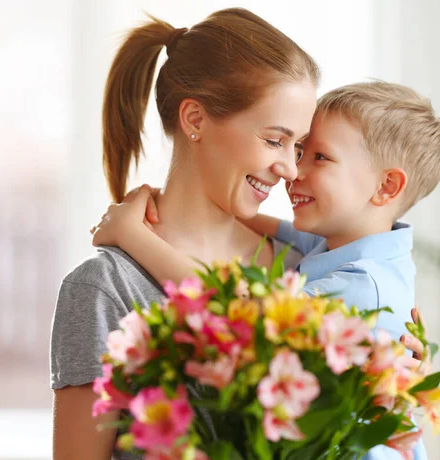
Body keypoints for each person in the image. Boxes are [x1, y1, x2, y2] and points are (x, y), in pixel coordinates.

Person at [91, 81, 440, 459]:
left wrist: (133, 236)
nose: (294, 171)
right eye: (299, 150)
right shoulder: (348, 241)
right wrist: (171, 202)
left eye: (320, 157)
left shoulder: (361, 284)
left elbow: (240, 309)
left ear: (386, 186)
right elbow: (267, 225)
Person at [50, 8, 319, 460]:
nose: (290, 168)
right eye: (275, 140)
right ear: (195, 119)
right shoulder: (104, 290)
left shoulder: (302, 265)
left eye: (299, 147)